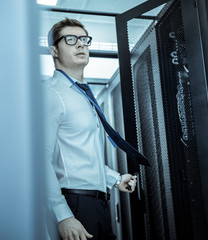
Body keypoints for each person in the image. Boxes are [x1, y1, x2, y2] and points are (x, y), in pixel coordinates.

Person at [44, 18, 137, 240]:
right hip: (74, 206)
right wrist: (63, 215)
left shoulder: (81, 95)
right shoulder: (52, 94)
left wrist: (115, 179)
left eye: (84, 39)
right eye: (71, 39)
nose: (80, 45)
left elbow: (82, 158)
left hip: (96, 204)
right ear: (54, 51)